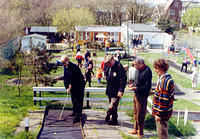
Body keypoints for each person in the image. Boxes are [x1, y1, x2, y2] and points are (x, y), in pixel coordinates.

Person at [128, 58, 152, 138]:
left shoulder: (147, 71)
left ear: (141, 63)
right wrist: (133, 85)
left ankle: (140, 132)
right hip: (136, 94)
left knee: (140, 114)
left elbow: (147, 86)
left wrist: (137, 88)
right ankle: (135, 129)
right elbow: (137, 80)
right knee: (135, 112)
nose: (134, 66)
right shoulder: (138, 69)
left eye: (136, 65)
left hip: (142, 95)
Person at [58, 55, 85, 123]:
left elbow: (74, 79)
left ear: (67, 61)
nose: (63, 64)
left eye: (63, 63)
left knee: (78, 101)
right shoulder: (65, 67)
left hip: (79, 86)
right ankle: (74, 112)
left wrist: (71, 86)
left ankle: (78, 116)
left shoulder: (74, 67)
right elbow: (66, 78)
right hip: (73, 86)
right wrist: (67, 87)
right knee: (73, 99)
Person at [152, 59, 175, 139]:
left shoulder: (164, 81)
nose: (155, 70)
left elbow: (163, 100)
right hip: (164, 113)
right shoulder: (167, 78)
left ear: (162, 68)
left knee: (162, 135)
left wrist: (159, 114)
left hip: (162, 115)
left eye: (156, 68)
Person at [104, 55, 127, 125]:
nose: (108, 64)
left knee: (112, 105)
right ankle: (114, 120)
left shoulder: (119, 66)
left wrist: (121, 90)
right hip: (110, 89)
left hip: (116, 90)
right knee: (114, 107)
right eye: (107, 63)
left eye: (109, 62)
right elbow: (106, 73)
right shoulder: (108, 66)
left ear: (113, 60)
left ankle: (108, 115)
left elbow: (123, 79)